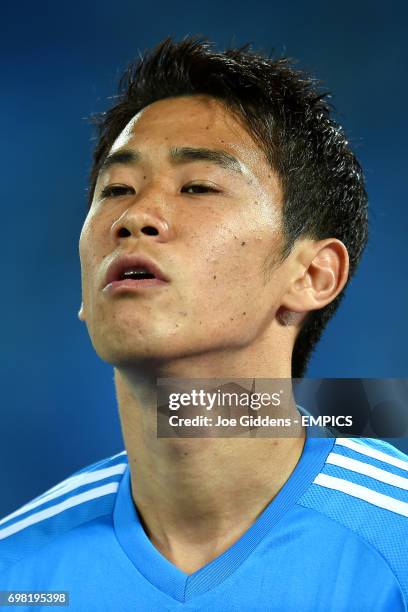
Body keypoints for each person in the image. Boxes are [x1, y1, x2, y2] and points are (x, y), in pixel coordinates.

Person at [1, 36, 407, 611]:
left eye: (197, 187)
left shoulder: (395, 546)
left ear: (313, 275)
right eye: (115, 190)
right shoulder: (16, 570)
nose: (134, 216)